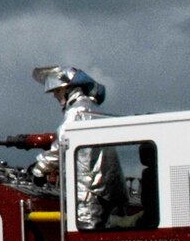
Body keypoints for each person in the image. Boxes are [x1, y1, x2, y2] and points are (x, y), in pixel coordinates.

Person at [28, 65, 127, 228]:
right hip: (110, 190)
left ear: (67, 89)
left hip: (90, 190)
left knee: (85, 239)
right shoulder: (93, 108)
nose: (55, 96)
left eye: (57, 91)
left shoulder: (77, 112)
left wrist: (39, 169)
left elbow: (62, 143)